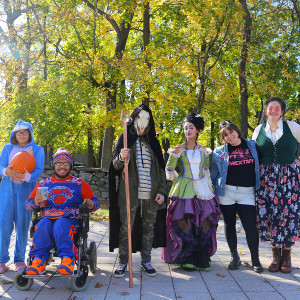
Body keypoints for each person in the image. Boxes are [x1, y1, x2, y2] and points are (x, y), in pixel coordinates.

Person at [109, 104, 167, 278]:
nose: (142, 121)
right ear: (133, 119)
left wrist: (162, 192)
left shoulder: (154, 143)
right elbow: (115, 167)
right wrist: (121, 157)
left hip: (151, 194)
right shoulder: (124, 139)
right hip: (129, 194)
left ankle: (146, 262)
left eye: (146, 118)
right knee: (126, 228)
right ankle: (122, 262)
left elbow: (162, 172)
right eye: (139, 117)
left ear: (149, 121)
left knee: (149, 228)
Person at [24, 148, 100, 275]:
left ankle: (67, 260)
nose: (62, 166)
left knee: (60, 224)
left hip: (70, 220)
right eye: (59, 163)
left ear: (70, 165)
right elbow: (28, 204)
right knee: (42, 224)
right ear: (54, 165)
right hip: (47, 218)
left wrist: (91, 203)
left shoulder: (79, 183)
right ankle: (38, 261)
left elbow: (95, 202)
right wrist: (35, 203)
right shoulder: (43, 183)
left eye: (66, 163)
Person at [161, 113, 221, 271]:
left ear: (198, 130)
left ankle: (201, 259)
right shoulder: (178, 149)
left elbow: (206, 170)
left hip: (202, 189)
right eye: (185, 128)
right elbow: (169, 169)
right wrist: (178, 180)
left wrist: (209, 188)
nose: (188, 130)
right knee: (186, 221)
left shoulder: (204, 150)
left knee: (202, 221)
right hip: (184, 189)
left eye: (191, 128)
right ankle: (186, 257)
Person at [253, 97, 300, 273]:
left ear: (282, 111)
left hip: (289, 178)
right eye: (270, 108)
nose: (273, 111)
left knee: (288, 215)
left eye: (277, 108)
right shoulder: (259, 130)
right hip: (267, 181)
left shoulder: (293, 127)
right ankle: (275, 255)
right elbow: (254, 154)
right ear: (266, 111)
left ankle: (286, 254)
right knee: (271, 215)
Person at [211, 121, 263, 273]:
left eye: (231, 132)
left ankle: (255, 259)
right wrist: (210, 189)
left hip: (247, 193)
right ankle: (235, 257)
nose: (229, 136)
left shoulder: (252, 145)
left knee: (250, 227)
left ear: (237, 131)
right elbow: (215, 173)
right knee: (229, 224)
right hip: (226, 192)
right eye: (225, 135)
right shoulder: (219, 152)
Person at [0, 120, 45, 273]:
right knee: (4, 225)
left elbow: (38, 170)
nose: (22, 135)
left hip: (27, 190)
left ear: (30, 133)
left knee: (22, 226)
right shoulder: (7, 148)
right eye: (19, 132)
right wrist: (7, 171)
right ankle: (1, 260)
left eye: (25, 132)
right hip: (7, 190)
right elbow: (1, 166)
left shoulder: (38, 149)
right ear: (14, 134)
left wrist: (26, 176)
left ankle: (19, 258)